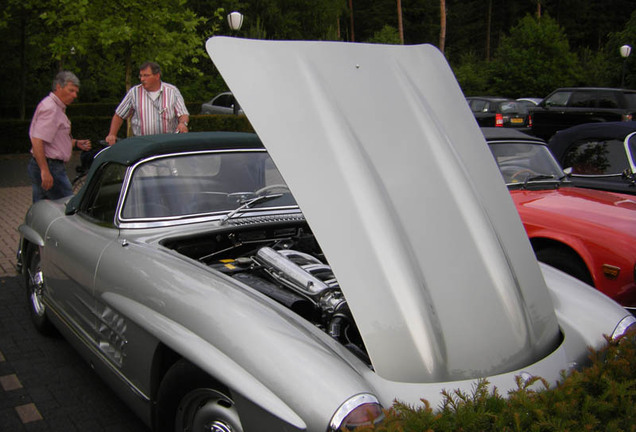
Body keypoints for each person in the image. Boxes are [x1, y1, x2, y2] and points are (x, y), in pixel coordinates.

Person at [28, 71, 91, 203]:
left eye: (76, 92)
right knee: (69, 208)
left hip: (49, 166)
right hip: (51, 166)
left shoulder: (55, 107)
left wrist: (74, 143)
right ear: (58, 87)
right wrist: (45, 171)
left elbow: (53, 140)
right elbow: (37, 140)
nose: (74, 95)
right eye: (71, 90)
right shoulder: (51, 108)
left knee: (42, 210)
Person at [105, 61, 189, 145]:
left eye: (146, 75)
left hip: (167, 143)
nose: (142, 79)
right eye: (141, 76)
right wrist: (112, 134)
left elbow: (183, 114)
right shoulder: (134, 92)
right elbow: (119, 115)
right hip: (142, 144)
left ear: (157, 76)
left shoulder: (172, 91)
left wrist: (182, 124)